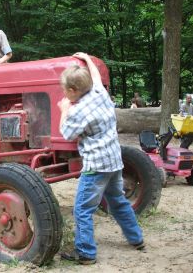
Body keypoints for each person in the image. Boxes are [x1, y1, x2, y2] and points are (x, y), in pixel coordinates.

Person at [57, 52, 144, 265]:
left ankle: (86, 252)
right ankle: (136, 238)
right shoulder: (99, 93)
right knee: (117, 200)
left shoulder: (78, 111)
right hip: (114, 162)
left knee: (82, 209)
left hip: (95, 166)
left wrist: (64, 110)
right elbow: (95, 77)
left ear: (72, 91)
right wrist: (87, 59)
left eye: (65, 91)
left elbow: (66, 133)